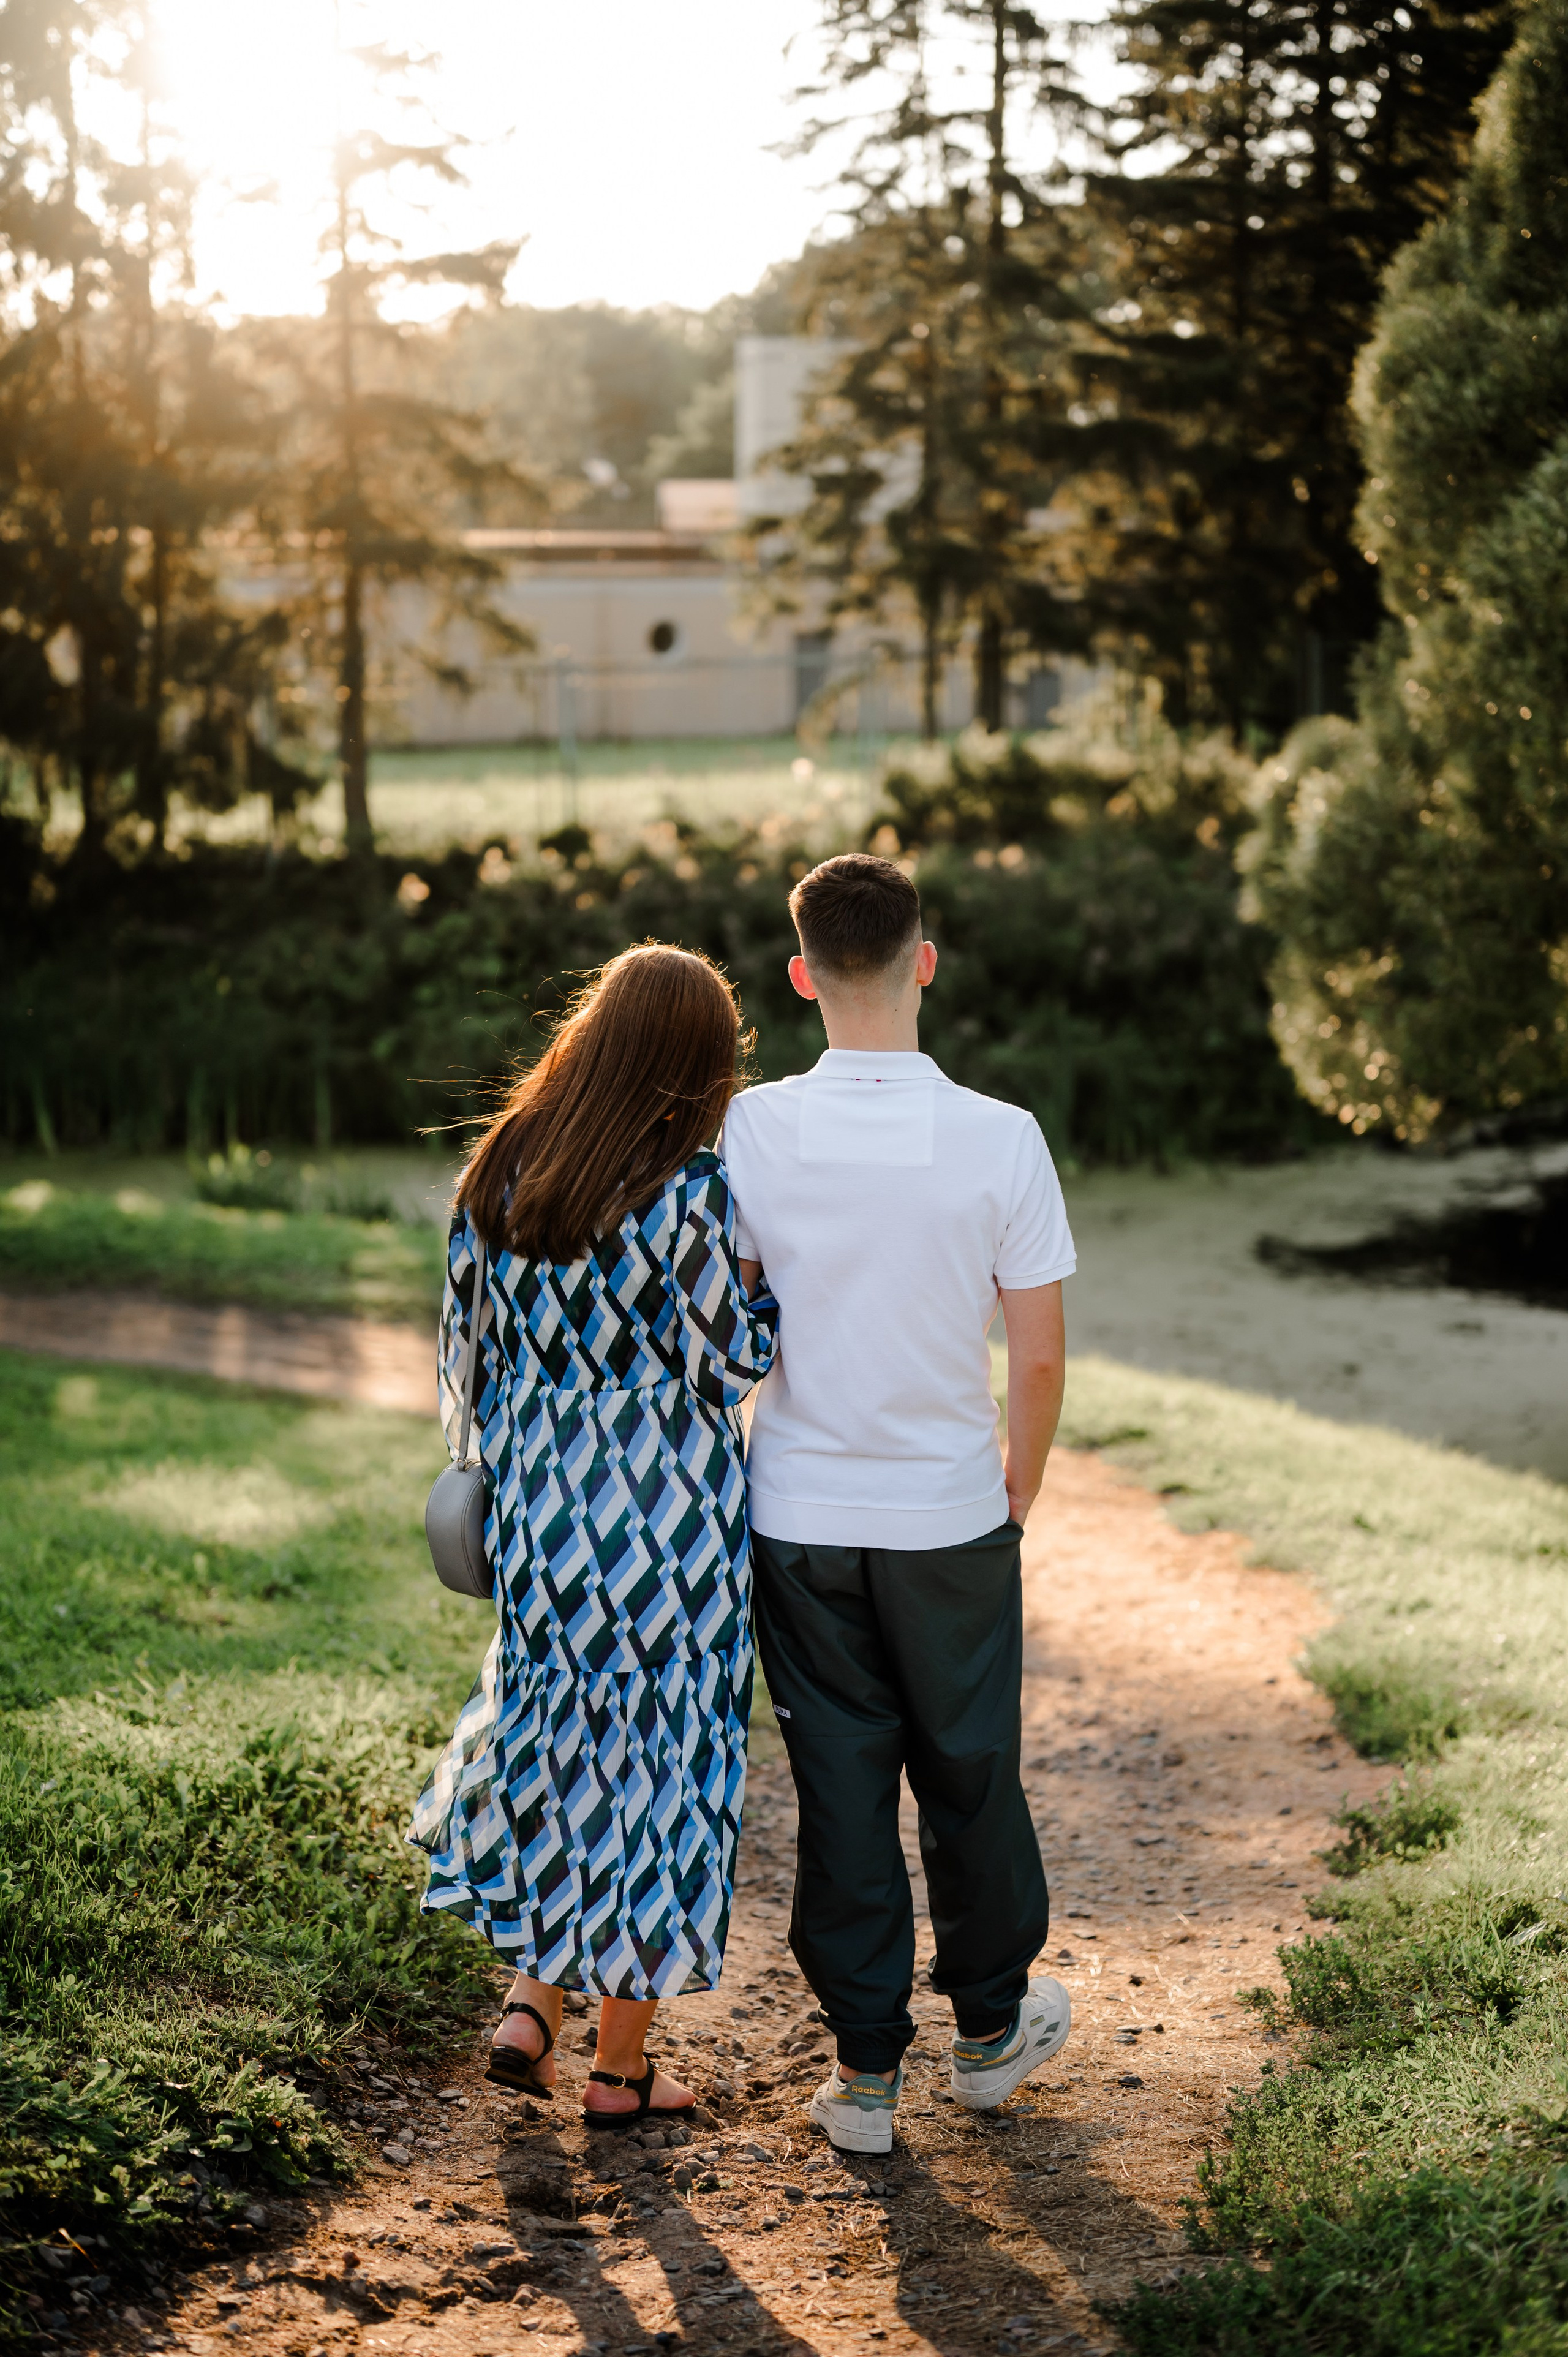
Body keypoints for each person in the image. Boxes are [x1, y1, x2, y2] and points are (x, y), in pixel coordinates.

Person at [721, 853, 1076, 2155]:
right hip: (947, 1516)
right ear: (924, 959)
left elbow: (738, 1312)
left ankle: (865, 2076)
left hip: (797, 1516)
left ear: (803, 976)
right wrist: (1013, 1492)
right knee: (970, 1772)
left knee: (841, 1781)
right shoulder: (1001, 1136)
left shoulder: (750, 1127)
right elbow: (1035, 1355)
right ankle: (988, 2036)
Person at [408, 943, 777, 2129]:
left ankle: (529, 2003)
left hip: (547, 1519)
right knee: (665, 1771)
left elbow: (464, 1359)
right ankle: (619, 2070)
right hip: (670, 1526)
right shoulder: (690, 1192)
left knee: (559, 1745)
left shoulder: (500, 1170)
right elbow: (737, 1358)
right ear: (694, 1068)